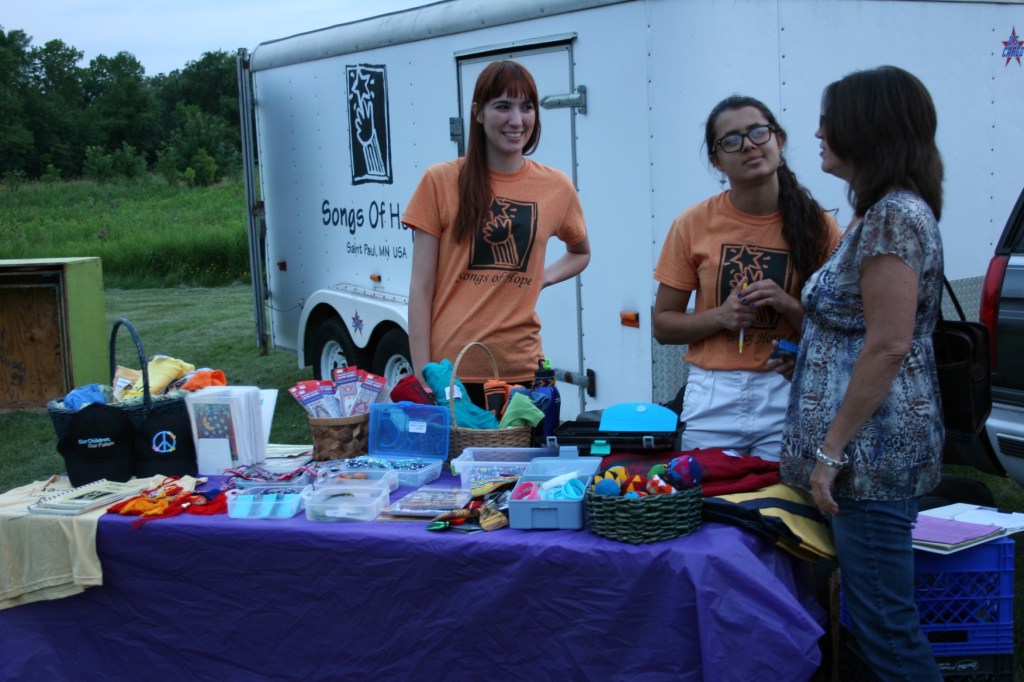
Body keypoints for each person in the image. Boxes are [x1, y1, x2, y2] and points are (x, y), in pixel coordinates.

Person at [780, 66, 945, 681]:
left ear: (867, 129)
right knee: (874, 622)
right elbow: (863, 332)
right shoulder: (886, 210)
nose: (818, 133)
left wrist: (831, 452)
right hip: (868, 455)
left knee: (886, 631)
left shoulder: (891, 218)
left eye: (831, 120)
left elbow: (889, 346)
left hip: (869, 461)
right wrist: (805, 358)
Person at [652, 96, 841, 461]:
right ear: (716, 160)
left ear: (779, 140)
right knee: (711, 505)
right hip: (712, 393)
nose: (749, 145)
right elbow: (663, 325)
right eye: (732, 140)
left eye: (758, 132)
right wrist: (720, 317)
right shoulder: (693, 223)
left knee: (782, 508)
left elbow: (838, 330)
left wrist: (787, 306)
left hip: (786, 386)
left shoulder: (819, 226)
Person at [403, 60, 591, 405]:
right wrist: (423, 376)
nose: (517, 120)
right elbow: (420, 289)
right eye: (503, 106)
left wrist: (543, 277)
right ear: (478, 112)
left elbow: (580, 252)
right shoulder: (440, 181)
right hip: (452, 375)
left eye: (526, 107)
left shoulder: (557, 187)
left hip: (522, 374)